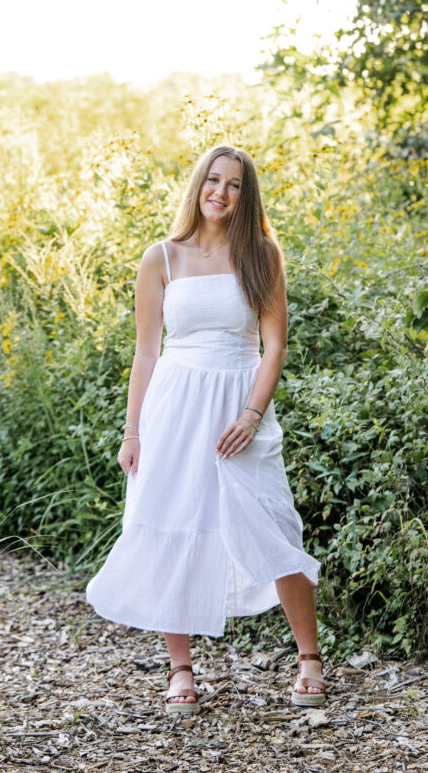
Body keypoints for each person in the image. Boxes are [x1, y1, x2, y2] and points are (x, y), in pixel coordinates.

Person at [85, 145, 325, 713]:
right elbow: (146, 353)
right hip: (175, 405)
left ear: (247, 196)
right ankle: (181, 670)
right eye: (212, 180)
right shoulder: (161, 258)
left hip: (239, 405)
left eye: (234, 185)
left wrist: (251, 414)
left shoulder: (262, 255)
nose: (220, 191)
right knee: (174, 524)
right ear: (197, 186)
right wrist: (132, 430)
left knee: (272, 524)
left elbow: (274, 346)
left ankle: (310, 658)